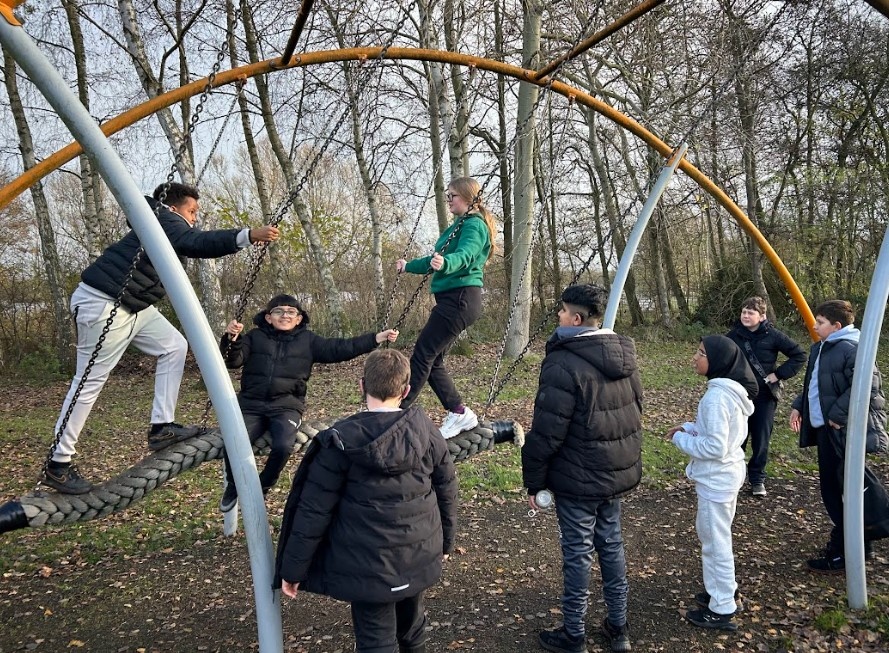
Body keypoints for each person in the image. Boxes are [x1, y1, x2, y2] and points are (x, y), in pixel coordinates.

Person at [43, 182, 280, 495]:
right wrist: (247, 235)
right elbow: (196, 242)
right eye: (191, 211)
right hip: (103, 302)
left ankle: (162, 427)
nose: (194, 218)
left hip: (134, 306)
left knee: (174, 346)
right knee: (89, 382)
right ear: (172, 207)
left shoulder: (159, 222)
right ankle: (58, 463)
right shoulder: (162, 218)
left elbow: (189, 240)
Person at [274, 348, 457, 653]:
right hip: (417, 552)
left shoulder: (339, 441)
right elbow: (447, 488)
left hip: (368, 564)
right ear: (406, 391)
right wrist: (445, 543)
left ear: (361, 386)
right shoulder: (425, 430)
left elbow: (313, 511)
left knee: (376, 640)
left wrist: (293, 570)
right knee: (412, 629)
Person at [521, 284, 642, 653]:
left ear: (575, 319)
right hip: (614, 470)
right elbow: (636, 410)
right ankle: (618, 627)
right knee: (611, 545)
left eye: (561, 311)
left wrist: (534, 482)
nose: (557, 316)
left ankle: (573, 633)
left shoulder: (562, 363)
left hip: (578, 477)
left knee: (577, 553)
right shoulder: (625, 354)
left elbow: (547, 431)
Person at [217, 294, 399, 512]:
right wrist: (231, 338)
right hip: (251, 404)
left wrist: (375, 338)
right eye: (278, 311)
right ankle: (234, 485)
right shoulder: (254, 337)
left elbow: (341, 348)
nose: (285, 315)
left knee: (283, 445)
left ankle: (264, 483)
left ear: (299, 318)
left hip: (286, 405)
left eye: (291, 312)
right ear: (268, 317)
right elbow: (233, 361)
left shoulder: (308, 341)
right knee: (234, 442)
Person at [789, 300, 889, 573]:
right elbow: (815, 383)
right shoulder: (824, 347)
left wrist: (837, 415)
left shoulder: (852, 349)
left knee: (842, 490)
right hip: (827, 429)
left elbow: (866, 385)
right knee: (837, 487)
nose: (814, 326)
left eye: (820, 322)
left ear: (836, 326)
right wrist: (799, 405)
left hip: (842, 431)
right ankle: (858, 542)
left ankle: (847, 549)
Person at [667, 335, 757, 631]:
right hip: (727, 474)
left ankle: (722, 607)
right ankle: (723, 589)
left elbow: (715, 447)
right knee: (717, 538)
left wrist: (680, 440)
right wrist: (689, 427)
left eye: (701, 353)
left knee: (715, 543)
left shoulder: (716, 397)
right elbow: (719, 432)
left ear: (718, 360)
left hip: (716, 479)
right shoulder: (730, 392)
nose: (695, 357)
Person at [395, 176, 495, 439]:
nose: (448, 200)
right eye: (447, 196)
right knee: (433, 359)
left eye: (452, 195)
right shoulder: (459, 224)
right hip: (455, 300)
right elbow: (435, 259)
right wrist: (408, 266)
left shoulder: (474, 225)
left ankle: (396, 412)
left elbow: (466, 254)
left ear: (469, 198)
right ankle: (459, 412)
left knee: (423, 354)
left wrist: (448, 264)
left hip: (460, 299)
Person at [726, 296, 806, 497]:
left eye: (750, 313)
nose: (745, 316)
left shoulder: (773, 335)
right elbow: (720, 356)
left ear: (761, 316)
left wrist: (778, 374)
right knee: (737, 438)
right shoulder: (733, 335)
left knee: (761, 439)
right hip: (739, 395)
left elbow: (799, 355)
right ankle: (733, 477)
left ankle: (757, 479)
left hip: (764, 396)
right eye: (743, 312)